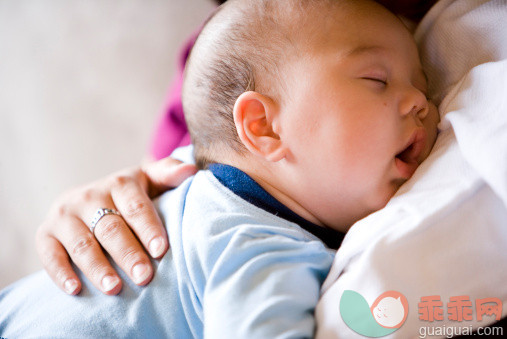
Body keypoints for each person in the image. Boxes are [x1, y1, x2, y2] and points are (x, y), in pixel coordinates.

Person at [0, 0, 439, 336]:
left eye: (422, 84)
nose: (421, 102)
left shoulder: (210, 184)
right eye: (376, 80)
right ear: (262, 126)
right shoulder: (260, 246)